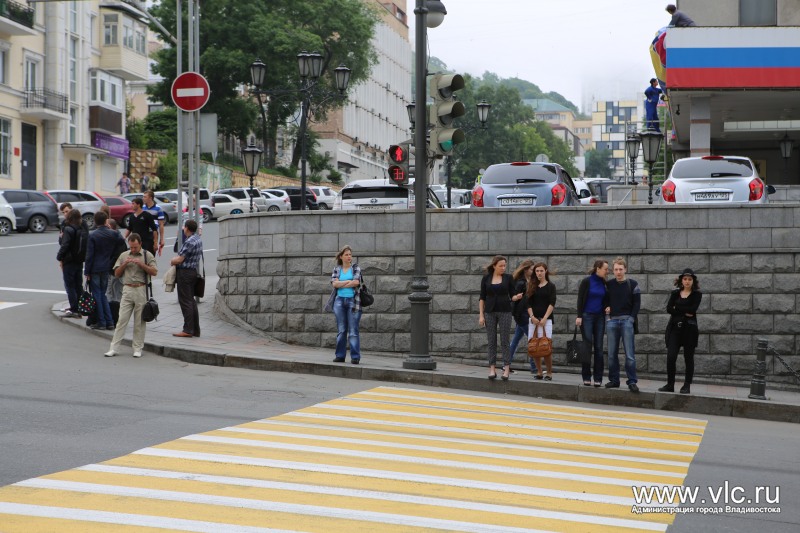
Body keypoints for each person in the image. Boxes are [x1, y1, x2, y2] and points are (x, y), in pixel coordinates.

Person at [105, 233, 158, 358]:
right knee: (122, 320)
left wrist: (141, 264)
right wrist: (124, 264)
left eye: (135, 247)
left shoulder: (147, 255)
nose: (133, 250)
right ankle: (114, 348)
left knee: (139, 321)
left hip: (141, 289)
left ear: (140, 244)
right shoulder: (124, 255)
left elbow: (154, 272)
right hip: (127, 289)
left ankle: (137, 348)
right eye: (131, 247)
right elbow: (116, 273)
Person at [660, 268, 702, 394]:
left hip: (689, 329)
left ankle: (686, 385)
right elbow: (668, 309)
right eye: (685, 279)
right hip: (675, 329)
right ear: (681, 280)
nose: (687, 281)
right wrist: (684, 311)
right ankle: (670, 384)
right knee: (671, 357)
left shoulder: (697, 294)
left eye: (689, 279)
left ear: (693, 281)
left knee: (688, 358)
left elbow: (693, 309)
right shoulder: (675, 293)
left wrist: (677, 308)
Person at [84, 211, 126, 330]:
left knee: (98, 295)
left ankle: (102, 322)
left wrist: (87, 272)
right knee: (103, 295)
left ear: (95, 221)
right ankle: (110, 322)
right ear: (106, 221)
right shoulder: (113, 234)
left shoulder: (93, 235)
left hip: (95, 269)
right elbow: (122, 242)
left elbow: (89, 255)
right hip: (106, 267)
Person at [605, 257, 642, 392]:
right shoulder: (609, 285)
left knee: (630, 354)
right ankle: (614, 380)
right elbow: (604, 301)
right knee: (611, 354)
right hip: (612, 321)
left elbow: (637, 303)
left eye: (620, 269)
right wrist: (607, 313)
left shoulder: (633, 284)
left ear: (625, 269)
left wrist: (631, 319)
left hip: (627, 320)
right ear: (613, 271)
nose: (618, 272)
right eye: (616, 269)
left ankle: (632, 381)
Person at [323, 245, 364, 364]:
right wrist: (348, 282)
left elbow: (356, 282)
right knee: (341, 330)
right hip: (339, 301)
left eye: (350, 254)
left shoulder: (356, 268)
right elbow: (334, 284)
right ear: (341, 257)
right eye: (346, 255)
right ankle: (340, 355)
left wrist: (341, 283)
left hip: (353, 302)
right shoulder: (337, 269)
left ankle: (355, 357)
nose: (349, 257)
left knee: (353, 331)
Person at [479, 255, 515, 380]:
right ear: (494, 266)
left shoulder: (509, 278)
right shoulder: (486, 278)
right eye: (501, 266)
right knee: (491, 341)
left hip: (505, 311)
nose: (503, 268)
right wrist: (481, 315)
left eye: (504, 265)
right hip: (489, 312)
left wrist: (516, 297)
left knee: (505, 341)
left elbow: (513, 295)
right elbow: (482, 298)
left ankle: (506, 369)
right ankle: (492, 369)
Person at [577, 259, 610, 387]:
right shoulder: (587, 281)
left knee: (599, 348)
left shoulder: (604, 283)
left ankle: (598, 377)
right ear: (598, 269)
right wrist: (579, 316)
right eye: (605, 269)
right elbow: (580, 299)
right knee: (587, 346)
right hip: (587, 317)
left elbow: (606, 299)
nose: (607, 271)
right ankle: (586, 376)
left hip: (600, 317)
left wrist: (608, 306)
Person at [170, 219, 202, 338]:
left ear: (187, 228)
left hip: (185, 273)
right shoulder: (198, 239)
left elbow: (179, 259)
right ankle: (195, 330)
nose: (183, 229)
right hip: (193, 272)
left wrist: (172, 261)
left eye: (184, 227)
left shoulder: (189, 241)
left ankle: (187, 330)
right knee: (191, 301)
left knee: (186, 302)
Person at [526, 262, 556, 380]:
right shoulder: (531, 285)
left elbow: (552, 303)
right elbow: (528, 303)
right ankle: (539, 372)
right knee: (534, 346)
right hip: (533, 320)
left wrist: (544, 318)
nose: (539, 273)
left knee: (545, 347)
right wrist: (532, 317)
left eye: (541, 271)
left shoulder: (551, 286)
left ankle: (549, 373)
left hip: (546, 321)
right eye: (537, 271)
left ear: (546, 271)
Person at [509, 260, 537, 375]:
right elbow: (513, 298)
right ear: (526, 270)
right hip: (522, 315)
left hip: (522, 314)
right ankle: (534, 367)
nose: (533, 271)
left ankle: (506, 364)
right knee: (533, 339)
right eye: (532, 269)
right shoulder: (521, 283)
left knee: (516, 340)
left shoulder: (528, 281)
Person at [105, 218, 127, 326]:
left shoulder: (114, 239)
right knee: (116, 294)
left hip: (113, 271)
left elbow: (115, 256)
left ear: (110, 227)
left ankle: (112, 318)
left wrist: (110, 267)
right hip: (117, 270)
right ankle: (116, 318)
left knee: (111, 294)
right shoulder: (119, 238)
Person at [142, 190, 166, 256]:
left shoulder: (158, 209)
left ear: (150, 198)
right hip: (143, 234)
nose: (143, 198)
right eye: (143, 197)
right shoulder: (142, 208)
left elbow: (161, 225)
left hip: (153, 234)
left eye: (145, 197)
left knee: (151, 255)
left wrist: (161, 239)